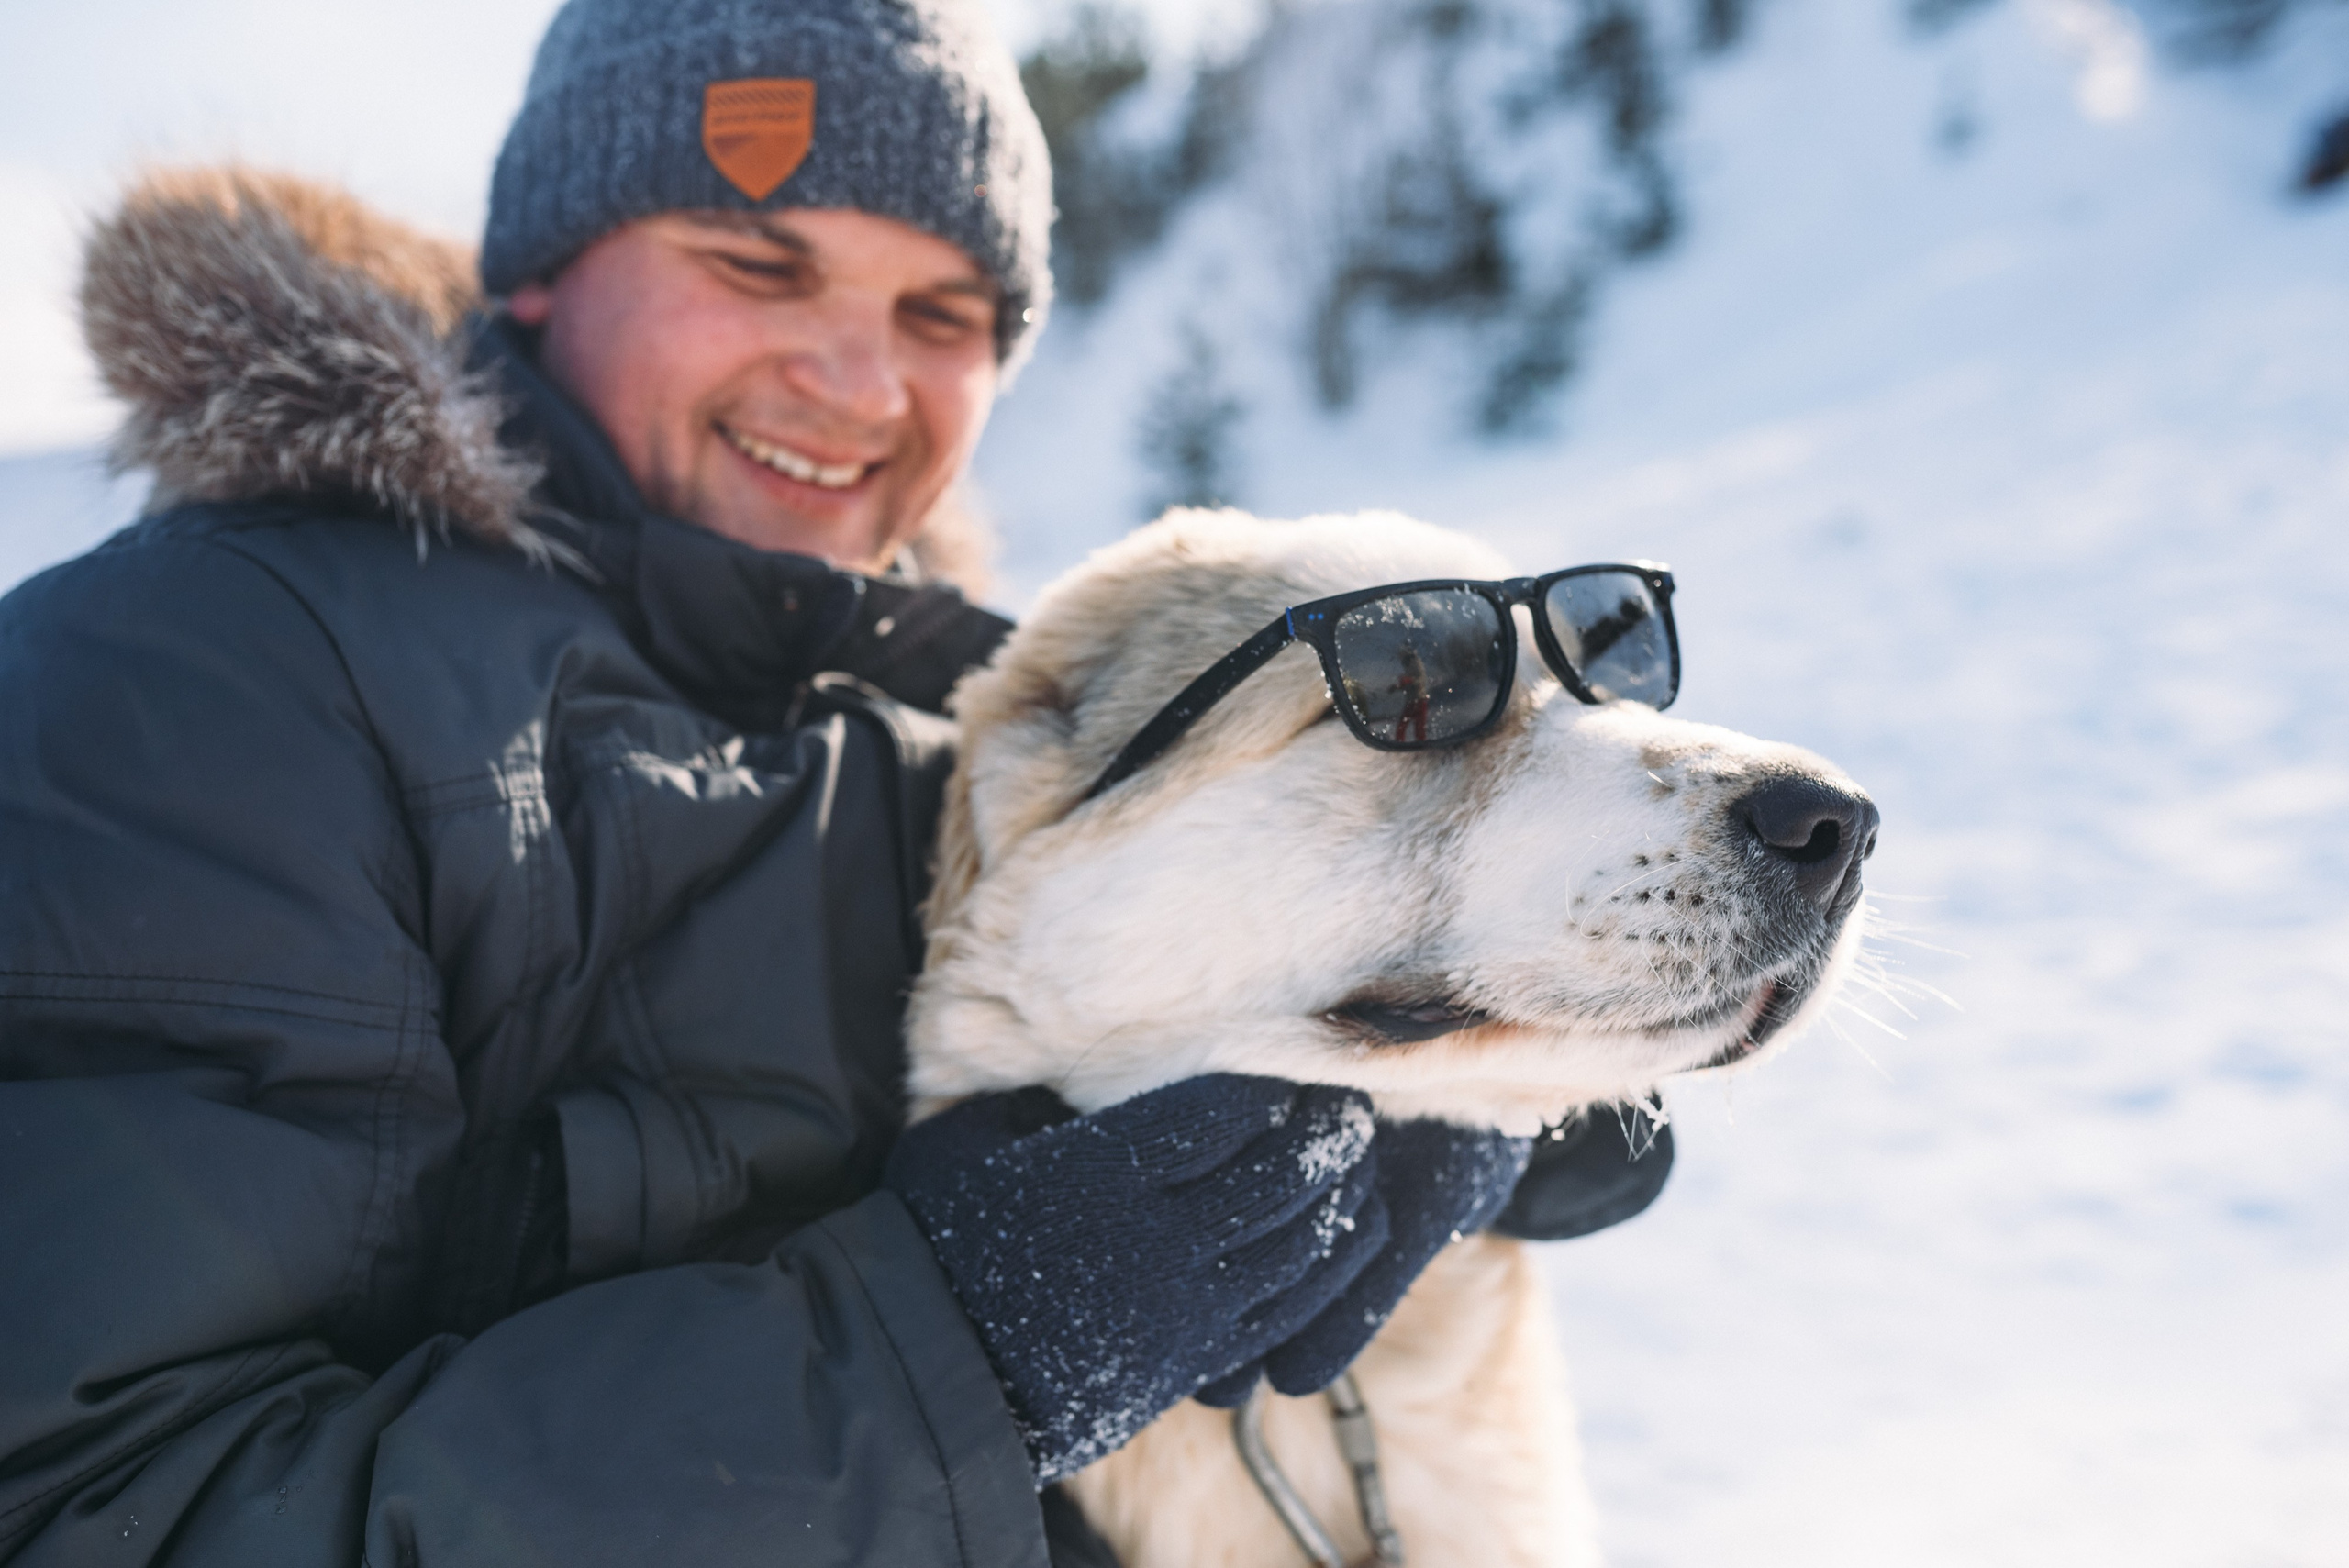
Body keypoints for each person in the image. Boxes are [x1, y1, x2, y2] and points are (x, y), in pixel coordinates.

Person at [0, 1, 1673, 1563]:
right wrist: (950, 1350)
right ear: (539, 273)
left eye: (942, 314)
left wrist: (1483, 1109)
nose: (861, 385)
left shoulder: (950, 702)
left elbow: (1273, 941)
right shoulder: (206, 678)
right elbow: (103, 1500)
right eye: (757, 262)